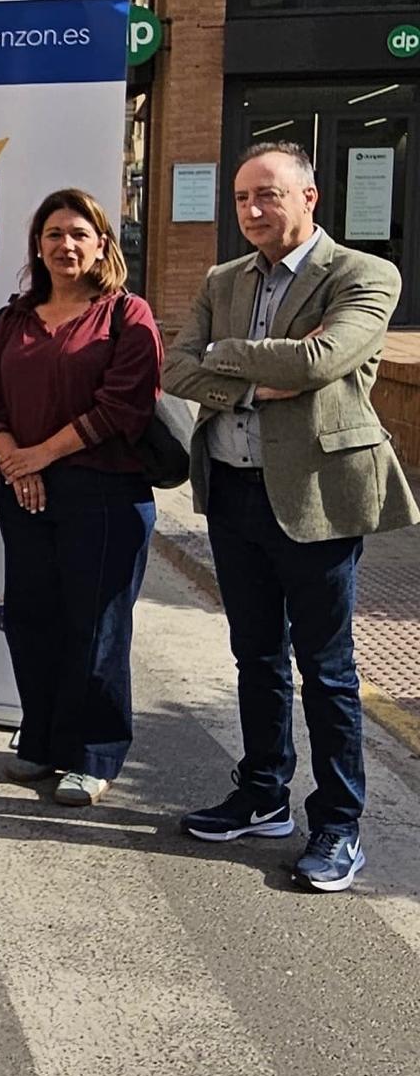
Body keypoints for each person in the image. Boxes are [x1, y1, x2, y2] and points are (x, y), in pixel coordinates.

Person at [164, 141, 417, 891]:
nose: (252, 210)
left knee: (328, 670)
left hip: (316, 498)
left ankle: (338, 826)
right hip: (235, 492)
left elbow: (319, 363)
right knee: (256, 657)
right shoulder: (221, 278)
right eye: (243, 197)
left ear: (309, 196)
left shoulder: (366, 275)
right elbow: (178, 367)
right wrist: (251, 380)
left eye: (269, 195)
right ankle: (263, 795)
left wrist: (227, 356)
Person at [0, 188, 161, 807]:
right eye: (54, 234)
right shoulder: (15, 319)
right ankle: (43, 738)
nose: (65, 245)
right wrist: (11, 460)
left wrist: (37, 457)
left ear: (102, 244)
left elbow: (122, 407)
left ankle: (92, 755)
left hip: (103, 493)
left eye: (79, 233)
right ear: (38, 246)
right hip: (23, 490)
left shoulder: (127, 316)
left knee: (96, 626)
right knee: (30, 619)